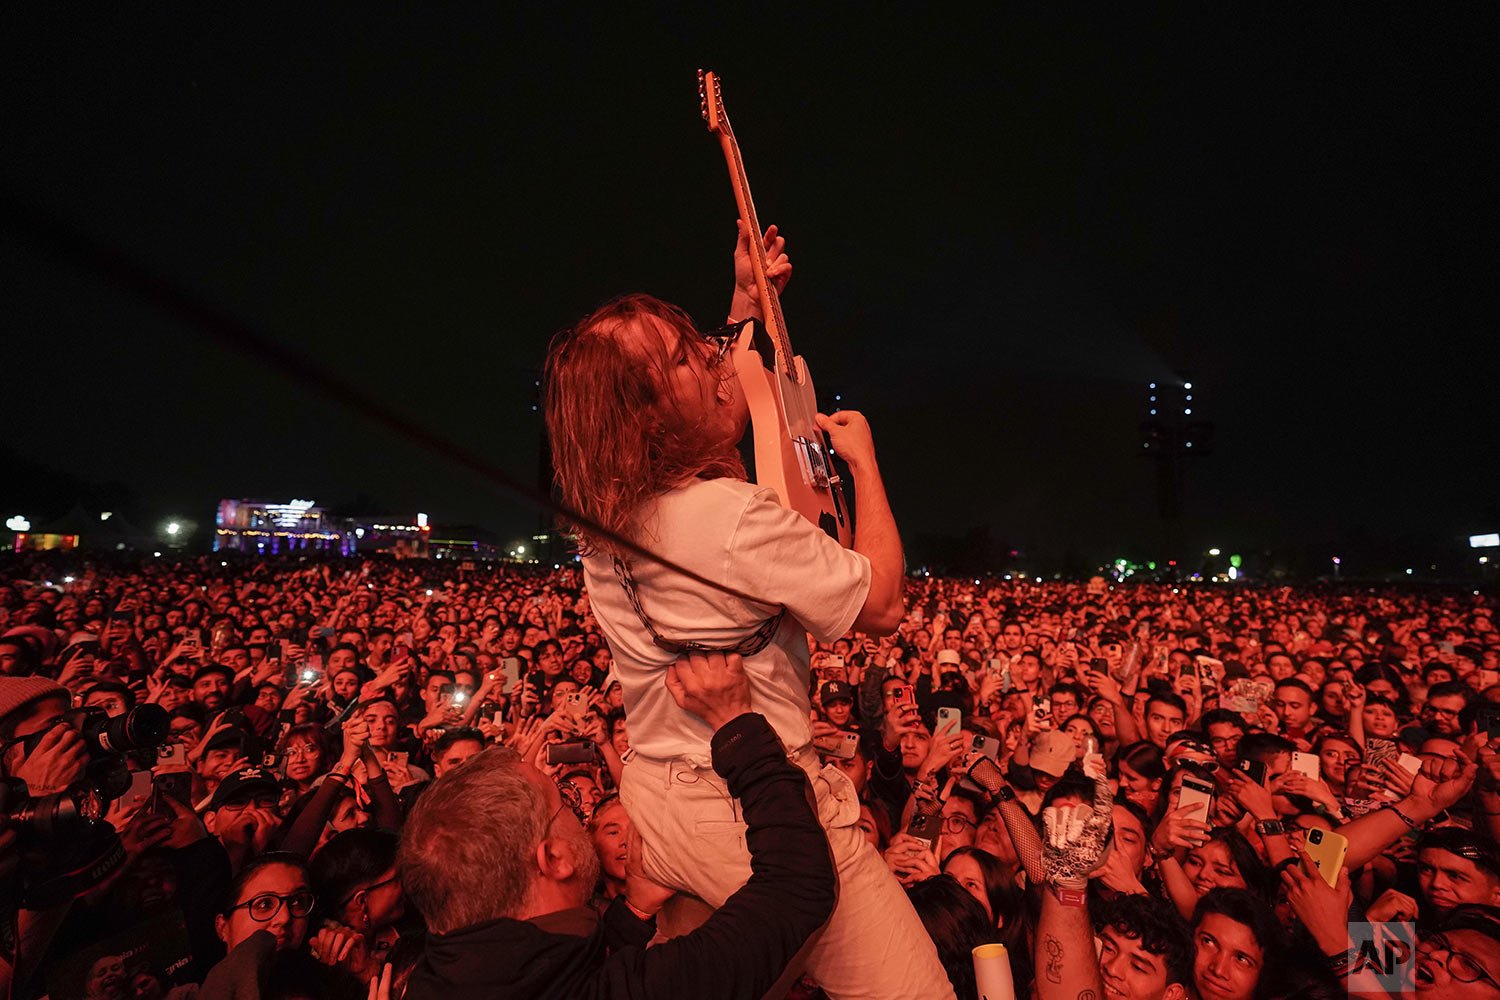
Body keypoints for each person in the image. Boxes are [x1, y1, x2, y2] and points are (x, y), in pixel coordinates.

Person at [543, 225, 950, 996]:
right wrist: (863, 465)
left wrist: (743, 304)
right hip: (746, 814)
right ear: (649, 419)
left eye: (699, 341)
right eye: (684, 357)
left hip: (658, 803)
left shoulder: (598, 520)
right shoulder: (726, 518)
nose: (710, 357)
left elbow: (715, 389)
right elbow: (886, 605)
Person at [398, 651, 836, 999]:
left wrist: (632, 914)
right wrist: (737, 726)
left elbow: (550, 967)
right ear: (554, 857)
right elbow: (796, 888)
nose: (579, 814)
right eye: (565, 805)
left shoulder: (429, 979)